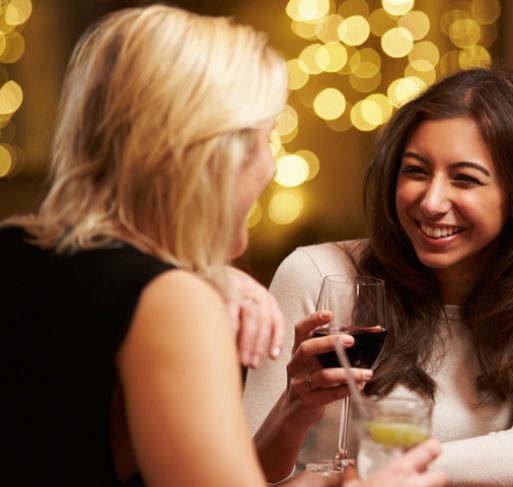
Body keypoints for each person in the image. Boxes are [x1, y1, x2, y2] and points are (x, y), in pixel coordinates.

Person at [0, 6, 445, 486]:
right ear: (215, 155)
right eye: (266, 137)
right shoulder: (168, 303)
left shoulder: (15, 246)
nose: (272, 167)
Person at [244, 67, 513, 485]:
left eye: (465, 179)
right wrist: (293, 411)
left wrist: (368, 471)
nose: (431, 202)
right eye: (416, 171)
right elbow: (241, 475)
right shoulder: (317, 274)